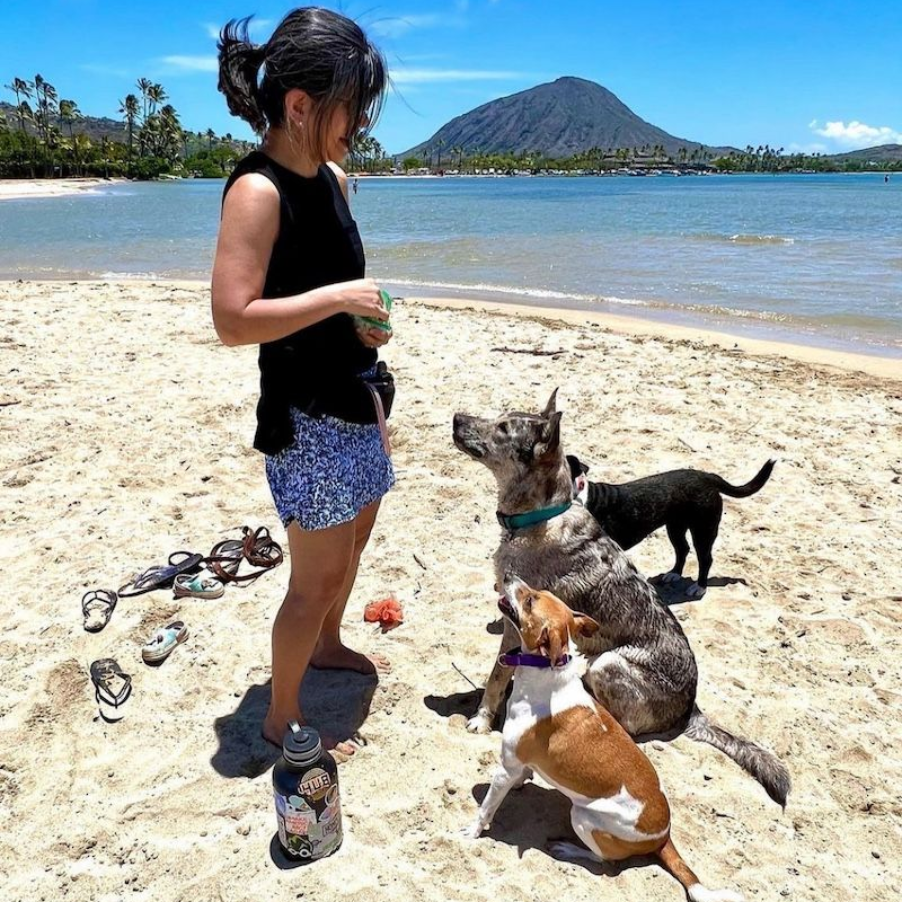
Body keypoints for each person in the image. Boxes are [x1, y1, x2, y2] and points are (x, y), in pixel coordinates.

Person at [211, 7, 393, 756]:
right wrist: (341, 300)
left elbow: (331, 288)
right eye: (352, 107)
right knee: (312, 579)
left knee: (354, 545)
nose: (360, 125)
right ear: (299, 105)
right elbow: (233, 317)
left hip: (356, 397)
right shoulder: (256, 192)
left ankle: (328, 645)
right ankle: (280, 714)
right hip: (305, 417)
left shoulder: (336, 180)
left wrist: (365, 325)